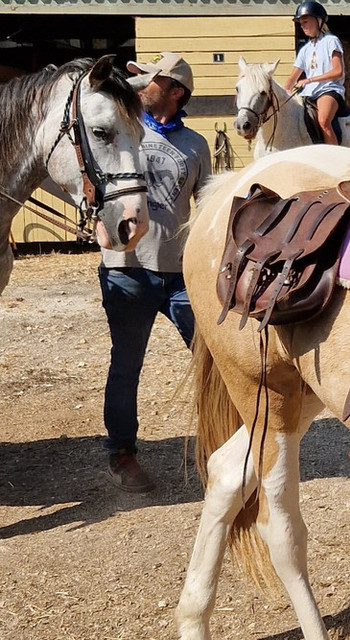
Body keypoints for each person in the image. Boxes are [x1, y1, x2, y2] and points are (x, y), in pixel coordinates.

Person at [99, 52, 212, 492]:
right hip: (126, 269)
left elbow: (206, 207)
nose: (141, 85)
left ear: (176, 91)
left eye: (151, 80)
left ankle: (220, 442)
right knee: (126, 366)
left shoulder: (197, 145)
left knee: (211, 361)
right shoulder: (124, 131)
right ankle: (122, 454)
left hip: (180, 273)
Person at [285, 0, 348, 145]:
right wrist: (283, 94)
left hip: (329, 90)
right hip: (308, 94)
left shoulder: (331, 41)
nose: (303, 26)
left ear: (318, 21)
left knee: (323, 120)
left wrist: (310, 80)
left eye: (306, 22)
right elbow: (292, 78)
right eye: (301, 23)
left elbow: (338, 71)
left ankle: (333, 157)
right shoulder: (305, 49)